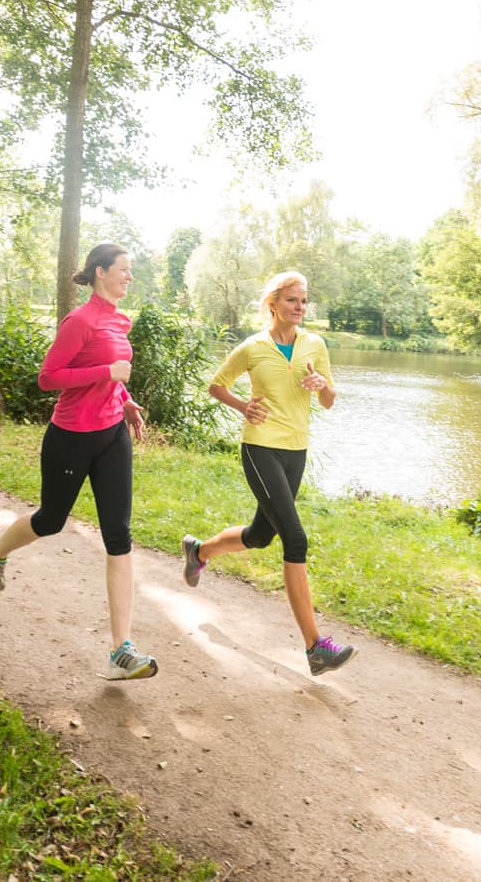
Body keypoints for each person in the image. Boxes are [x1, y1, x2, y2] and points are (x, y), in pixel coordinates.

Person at [0, 243, 158, 681]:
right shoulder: (79, 321)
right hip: (72, 437)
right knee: (51, 520)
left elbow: (113, 376)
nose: (129, 278)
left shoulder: (120, 319)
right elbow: (48, 378)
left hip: (113, 433)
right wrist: (107, 375)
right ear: (100, 272)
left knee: (119, 535)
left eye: (130, 271)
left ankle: (121, 651)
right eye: (123, 270)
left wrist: (127, 400)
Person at [180, 270, 356, 676]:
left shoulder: (315, 344)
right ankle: (316, 647)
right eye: (292, 300)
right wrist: (244, 407)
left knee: (261, 536)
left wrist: (320, 385)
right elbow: (216, 385)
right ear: (273, 303)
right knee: (294, 540)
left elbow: (329, 400)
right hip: (260, 448)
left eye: (304, 300)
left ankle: (199, 551)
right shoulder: (253, 347)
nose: (300, 307)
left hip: (296, 451)